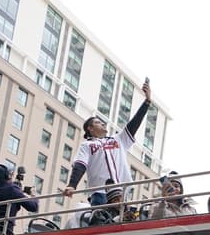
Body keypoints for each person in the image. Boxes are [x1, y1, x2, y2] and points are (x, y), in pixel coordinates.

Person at [65, 78, 152, 221]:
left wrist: (147, 102)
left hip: (122, 194)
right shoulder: (87, 145)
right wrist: (72, 185)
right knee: (101, 226)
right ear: (90, 129)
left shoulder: (117, 140)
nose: (103, 124)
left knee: (125, 227)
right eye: (98, 123)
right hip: (101, 194)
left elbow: (134, 124)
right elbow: (80, 164)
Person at [0, 163, 39, 235]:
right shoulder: (12, 189)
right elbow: (33, 207)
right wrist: (34, 196)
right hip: (2, 230)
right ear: (9, 175)